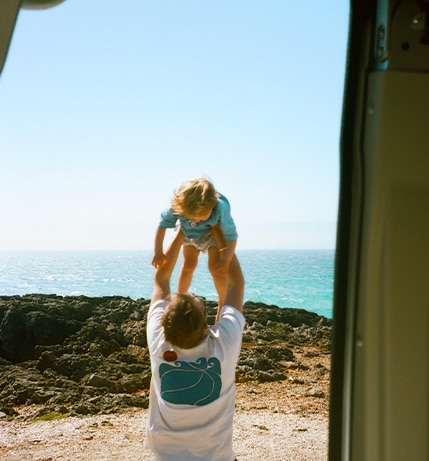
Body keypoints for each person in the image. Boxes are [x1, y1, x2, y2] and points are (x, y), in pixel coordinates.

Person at [145, 229, 245, 461]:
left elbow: (161, 279)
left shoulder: (159, 342)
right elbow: (235, 284)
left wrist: (180, 234)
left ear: (165, 325)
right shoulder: (223, 346)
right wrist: (220, 232)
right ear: (206, 326)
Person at [152, 178, 238, 321]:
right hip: (187, 233)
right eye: (192, 216)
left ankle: (222, 306)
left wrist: (226, 260)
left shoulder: (220, 209)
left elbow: (232, 237)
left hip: (212, 234)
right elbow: (162, 226)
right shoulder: (178, 207)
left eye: (202, 216)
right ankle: (180, 299)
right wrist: (158, 252)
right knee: (188, 265)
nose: (197, 221)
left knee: (216, 268)